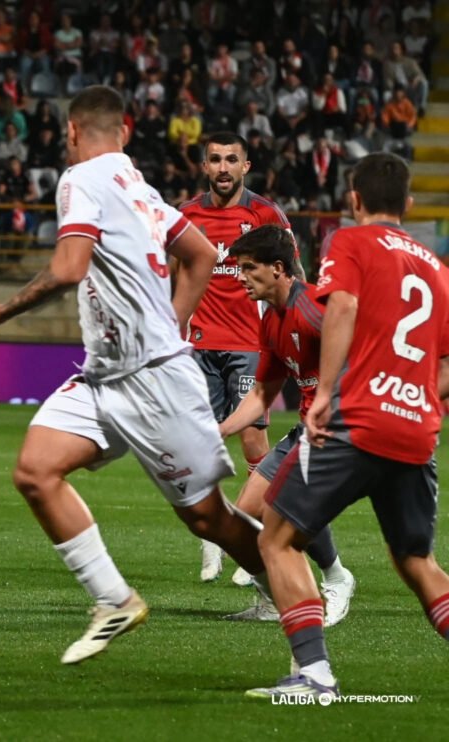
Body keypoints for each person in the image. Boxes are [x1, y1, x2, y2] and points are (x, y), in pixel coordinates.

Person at [0, 85, 269, 665]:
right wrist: (173, 321)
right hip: (106, 375)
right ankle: (114, 600)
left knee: (207, 518)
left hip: (154, 379)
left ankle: (293, 591)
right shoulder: (140, 186)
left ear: (72, 133)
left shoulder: (80, 180)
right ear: (125, 131)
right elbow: (203, 254)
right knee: (35, 471)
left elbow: (69, 266)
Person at [248, 152, 449, 699]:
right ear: (407, 204)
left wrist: (326, 393)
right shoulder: (437, 268)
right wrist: (417, 399)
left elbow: (340, 309)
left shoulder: (351, 242)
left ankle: (313, 674)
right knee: (416, 560)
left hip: (357, 421)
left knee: (278, 538)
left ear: (354, 199)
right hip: (416, 430)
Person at [178, 131, 300, 584]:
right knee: (201, 445)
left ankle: (252, 531)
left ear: (246, 166)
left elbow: (295, 275)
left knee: (252, 442)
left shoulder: (265, 214)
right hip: (199, 345)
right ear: (204, 166)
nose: (223, 167)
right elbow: (174, 277)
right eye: (215, 160)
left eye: (232, 159)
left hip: (251, 342)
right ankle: (213, 537)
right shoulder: (186, 215)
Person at [219, 224, 356, 625]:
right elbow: (263, 391)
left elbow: (364, 353)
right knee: (244, 514)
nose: (240, 277)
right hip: (306, 429)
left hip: (340, 428)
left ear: (278, 268)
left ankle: (335, 579)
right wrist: (223, 429)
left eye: (248, 268)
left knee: (285, 509)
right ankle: (270, 600)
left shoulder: (316, 308)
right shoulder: (272, 320)